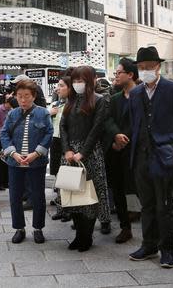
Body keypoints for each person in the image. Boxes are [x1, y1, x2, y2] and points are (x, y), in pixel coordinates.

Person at [127, 47, 173, 268]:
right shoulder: (135, 93)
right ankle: (149, 244)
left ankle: (167, 249)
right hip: (141, 155)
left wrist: (171, 140)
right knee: (147, 204)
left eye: (148, 67)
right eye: (141, 68)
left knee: (165, 205)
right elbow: (134, 122)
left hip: (164, 155)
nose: (145, 71)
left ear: (158, 67)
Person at [60, 66, 110, 252]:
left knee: (89, 197)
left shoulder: (99, 100)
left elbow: (97, 130)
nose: (77, 84)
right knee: (74, 197)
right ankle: (78, 235)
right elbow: (63, 127)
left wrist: (83, 152)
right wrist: (67, 150)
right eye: (74, 80)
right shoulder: (70, 101)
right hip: (71, 154)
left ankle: (86, 237)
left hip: (90, 154)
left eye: (81, 80)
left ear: (90, 81)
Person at [0, 79, 53, 244]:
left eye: (27, 96)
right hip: (15, 162)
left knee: (38, 196)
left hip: (36, 163)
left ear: (34, 96)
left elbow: (48, 134)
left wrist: (36, 153)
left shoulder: (43, 113)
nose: (23, 100)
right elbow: (4, 134)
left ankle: (38, 228)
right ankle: (19, 228)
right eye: (19, 96)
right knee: (15, 196)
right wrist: (13, 153)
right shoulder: (12, 114)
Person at [104, 58, 139, 243]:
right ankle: (125, 227)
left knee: (142, 188)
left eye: (119, 73)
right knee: (117, 189)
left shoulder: (142, 95)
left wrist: (127, 138)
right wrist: (116, 136)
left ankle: (152, 228)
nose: (116, 76)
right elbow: (108, 120)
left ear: (130, 75)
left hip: (138, 150)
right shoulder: (115, 98)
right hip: (117, 150)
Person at [50, 78, 71, 222]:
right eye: (57, 85)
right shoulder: (56, 104)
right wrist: (49, 113)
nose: (57, 88)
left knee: (68, 178)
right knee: (58, 175)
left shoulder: (73, 105)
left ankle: (68, 210)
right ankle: (60, 207)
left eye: (61, 86)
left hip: (67, 143)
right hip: (55, 140)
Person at [0, 96, 15, 191]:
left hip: (8, 137)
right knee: (1, 160)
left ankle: (5, 182)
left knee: (6, 160)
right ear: (6, 102)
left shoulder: (12, 110)